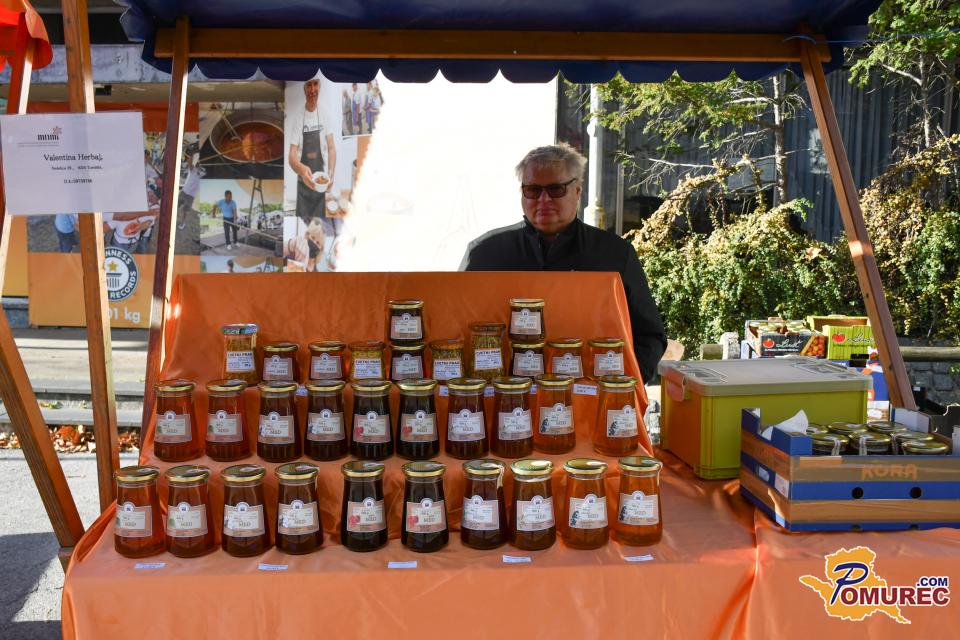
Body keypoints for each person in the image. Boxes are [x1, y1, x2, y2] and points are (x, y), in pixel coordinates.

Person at [459, 143, 667, 384]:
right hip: (503, 397)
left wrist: (622, 388)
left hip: (591, 396)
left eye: (555, 189)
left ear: (577, 191)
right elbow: (457, 330)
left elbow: (649, 335)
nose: (543, 199)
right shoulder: (484, 253)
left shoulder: (614, 255)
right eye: (533, 190)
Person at [288, 77, 340, 238]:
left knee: (318, 229)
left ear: (320, 86)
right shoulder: (298, 118)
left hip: (320, 184)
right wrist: (302, 169)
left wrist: (331, 174)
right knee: (301, 230)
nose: (312, 90)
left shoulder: (325, 114)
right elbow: (291, 156)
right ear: (304, 89)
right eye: (308, 85)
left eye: (315, 84)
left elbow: (331, 148)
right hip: (303, 184)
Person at [178, 153, 204, 230]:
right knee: (176, 205)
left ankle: (183, 223)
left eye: (199, 164)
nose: (198, 165)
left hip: (191, 196)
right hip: (184, 192)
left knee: (185, 211)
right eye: (198, 164)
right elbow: (189, 162)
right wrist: (193, 153)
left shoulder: (203, 175)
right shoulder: (193, 170)